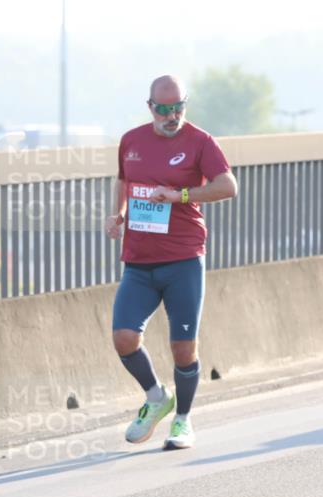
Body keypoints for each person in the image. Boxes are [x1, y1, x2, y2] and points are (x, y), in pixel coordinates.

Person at [106, 75, 238, 450]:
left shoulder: (200, 141)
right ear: (150, 107)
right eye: (164, 109)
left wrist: (179, 195)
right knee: (124, 337)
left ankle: (182, 420)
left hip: (183, 259)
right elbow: (123, 181)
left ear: (185, 104)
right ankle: (155, 397)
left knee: (183, 348)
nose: (171, 115)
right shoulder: (131, 141)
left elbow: (228, 186)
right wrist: (117, 214)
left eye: (178, 106)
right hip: (139, 260)